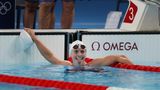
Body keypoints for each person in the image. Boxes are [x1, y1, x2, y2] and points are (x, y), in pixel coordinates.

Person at [25, 28, 133, 71]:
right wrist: (34, 38)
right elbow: (49, 56)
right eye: (76, 51)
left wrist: (134, 71)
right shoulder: (67, 65)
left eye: (82, 51)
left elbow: (118, 57)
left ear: (86, 53)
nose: (80, 53)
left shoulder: (92, 64)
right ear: (71, 54)